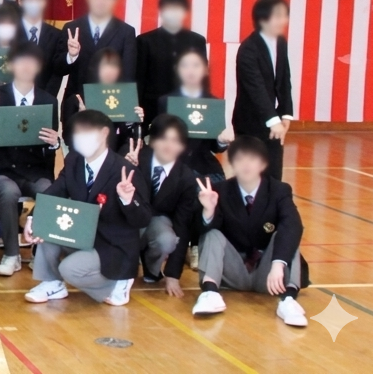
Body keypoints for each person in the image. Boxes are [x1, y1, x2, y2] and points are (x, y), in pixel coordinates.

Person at [24, 110, 150, 307]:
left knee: (69, 269)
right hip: (81, 233)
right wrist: (33, 218)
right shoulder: (74, 160)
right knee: (45, 226)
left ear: (104, 134)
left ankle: (117, 282)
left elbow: (143, 218)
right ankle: (52, 283)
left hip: (112, 244)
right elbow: (54, 192)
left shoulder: (124, 170)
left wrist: (128, 200)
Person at [190, 135, 308, 326]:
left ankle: (288, 300)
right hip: (233, 272)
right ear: (232, 163)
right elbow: (196, 232)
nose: (246, 165)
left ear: (263, 163)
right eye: (240, 159)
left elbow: (293, 225)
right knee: (212, 234)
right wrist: (208, 211)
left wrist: (278, 265)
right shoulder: (220, 190)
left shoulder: (279, 190)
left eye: (252, 159)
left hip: (269, 275)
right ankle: (210, 293)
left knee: (287, 235)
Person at [0, 44, 61, 277]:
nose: (26, 66)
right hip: (2, 168)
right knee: (8, 192)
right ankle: (11, 255)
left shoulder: (48, 100)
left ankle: (40, 254)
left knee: (48, 191)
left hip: (34, 170)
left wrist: (54, 143)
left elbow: (49, 148)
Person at [127, 114, 200, 293]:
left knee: (167, 240)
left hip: (158, 221)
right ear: (152, 141)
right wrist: (125, 166)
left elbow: (183, 225)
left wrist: (173, 275)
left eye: (175, 140)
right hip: (130, 217)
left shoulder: (186, 178)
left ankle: (151, 269)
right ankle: (122, 268)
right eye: (163, 138)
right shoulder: (134, 157)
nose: (168, 145)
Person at [233, 0, 293, 181]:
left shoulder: (281, 42)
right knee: (251, 177)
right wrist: (272, 120)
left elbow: (284, 79)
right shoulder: (248, 49)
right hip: (250, 122)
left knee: (273, 175)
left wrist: (286, 113)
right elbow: (255, 88)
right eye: (278, 16)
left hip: (273, 119)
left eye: (284, 15)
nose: (283, 20)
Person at [164, 48, 234, 182]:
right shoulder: (165, 102)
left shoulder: (213, 103)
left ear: (205, 70)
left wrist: (221, 140)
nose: (190, 71)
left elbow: (215, 147)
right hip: (172, 168)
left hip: (204, 167)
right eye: (185, 65)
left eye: (196, 65)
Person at [137, 0, 208, 118]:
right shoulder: (145, 41)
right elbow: (139, 80)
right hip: (153, 109)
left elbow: (202, 78)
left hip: (187, 107)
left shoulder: (197, 41)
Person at [60, 0, 137, 87]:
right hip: (77, 95)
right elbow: (58, 70)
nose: (101, 1)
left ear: (115, 0)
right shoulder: (71, 28)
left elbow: (128, 75)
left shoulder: (126, 32)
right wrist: (71, 56)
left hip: (110, 95)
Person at [62, 48, 145, 153]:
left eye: (114, 66)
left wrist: (133, 120)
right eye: (105, 66)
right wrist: (82, 118)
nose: (109, 71)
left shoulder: (125, 96)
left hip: (117, 156)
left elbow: (130, 139)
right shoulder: (78, 98)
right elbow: (68, 139)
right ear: (95, 68)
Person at [15, 0, 67, 94]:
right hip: (14, 98)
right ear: (20, 2)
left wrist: (45, 98)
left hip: (45, 98)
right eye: (29, 0)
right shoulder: (10, 33)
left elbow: (56, 72)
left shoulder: (56, 35)